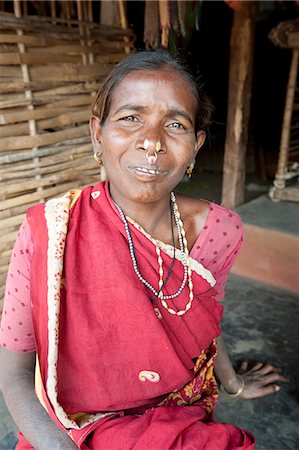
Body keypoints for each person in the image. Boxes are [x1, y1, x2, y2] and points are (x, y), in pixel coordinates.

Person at [0, 50, 287, 450]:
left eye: (175, 124)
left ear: (196, 144)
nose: (151, 142)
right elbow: (12, 374)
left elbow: (204, 321)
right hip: (77, 427)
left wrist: (233, 383)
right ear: (97, 133)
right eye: (130, 118)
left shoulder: (218, 230)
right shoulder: (49, 231)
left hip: (180, 414)